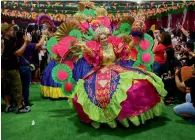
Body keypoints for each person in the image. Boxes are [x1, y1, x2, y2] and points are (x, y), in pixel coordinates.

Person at [68, 26, 167, 129]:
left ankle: (132, 114)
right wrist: (85, 47)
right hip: (102, 71)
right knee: (99, 93)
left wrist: (133, 42)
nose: (104, 40)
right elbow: (93, 55)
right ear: (99, 40)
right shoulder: (98, 50)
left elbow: (122, 52)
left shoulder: (112, 46)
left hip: (116, 68)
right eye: (102, 39)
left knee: (138, 84)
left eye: (105, 37)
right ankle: (107, 116)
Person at [1, 23, 31, 113]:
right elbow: (18, 53)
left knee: (5, 88)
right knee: (17, 87)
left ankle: (8, 105)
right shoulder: (7, 42)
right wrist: (26, 43)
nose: (13, 31)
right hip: (11, 69)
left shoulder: (4, 40)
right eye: (10, 30)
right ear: (5, 32)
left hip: (4, 68)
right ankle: (20, 107)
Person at [16, 29, 48, 107]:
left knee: (21, 86)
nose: (28, 37)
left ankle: (19, 101)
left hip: (18, 67)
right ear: (24, 37)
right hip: (25, 68)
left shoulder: (17, 44)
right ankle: (25, 102)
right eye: (27, 35)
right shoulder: (27, 45)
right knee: (26, 86)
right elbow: (40, 44)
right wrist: (44, 35)